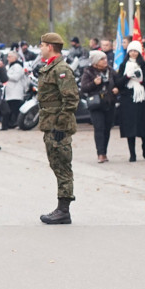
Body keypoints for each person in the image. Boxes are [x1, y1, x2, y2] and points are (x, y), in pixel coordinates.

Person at [36, 32, 79, 224]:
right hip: (50, 124)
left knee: (62, 166)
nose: (40, 48)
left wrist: (61, 124)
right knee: (56, 164)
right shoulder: (50, 67)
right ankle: (61, 208)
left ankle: (64, 210)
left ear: (50, 47)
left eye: (42, 45)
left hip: (58, 126)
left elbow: (70, 99)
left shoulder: (61, 69)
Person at [116, 41, 145, 161]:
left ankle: (144, 147)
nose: (133, 53)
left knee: (144, 126)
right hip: (128, 100)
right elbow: (119, 83)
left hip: (143, 99)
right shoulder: (123, 66)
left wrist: (141, 80)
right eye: (131, 51)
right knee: (130, 127)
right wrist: (127, 76)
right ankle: (132, 154)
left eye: (135, 51)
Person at [81, 50, 118, 163]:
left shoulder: (111, 71)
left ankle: (104, 152)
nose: (105, 61)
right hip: (96, 104)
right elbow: (84, 88)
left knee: (107, 128)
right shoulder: (89, 72)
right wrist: (94, 83)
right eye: (102, 59)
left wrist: (117, 90)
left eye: (105, 59)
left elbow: (118, 83)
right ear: (96, 62)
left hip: (109, 103)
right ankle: (100, 154)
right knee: (99, 128)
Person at [2, 51, 28, 130]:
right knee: (9, 109)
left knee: (14, 109)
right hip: (10, 91)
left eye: (9, 57)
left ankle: (15, 123)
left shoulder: (17, 66)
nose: (8, 58)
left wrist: (5, 75)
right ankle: (9, 124)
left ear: (15, 58)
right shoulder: (10, 66)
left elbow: (16, 77)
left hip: (15, 92)